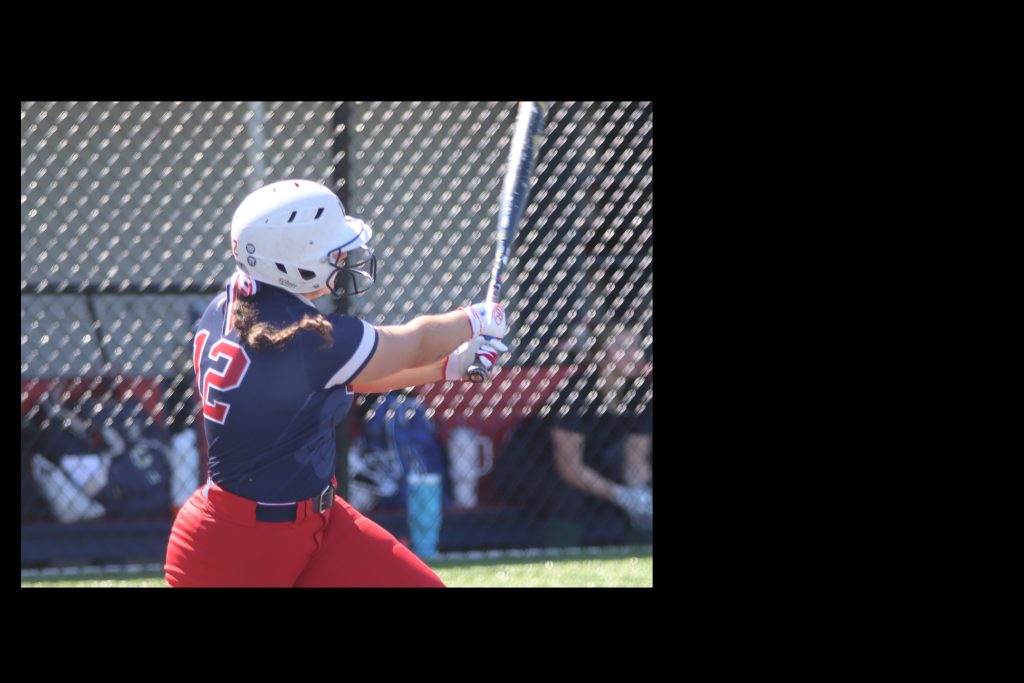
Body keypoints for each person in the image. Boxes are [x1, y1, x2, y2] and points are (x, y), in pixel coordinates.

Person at [163, 179, 508, 587]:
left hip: (315, 524)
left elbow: (348, 378)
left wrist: (450, 366)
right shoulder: (306, 337)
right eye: (331, 248)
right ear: (290, 259)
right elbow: (413, 343)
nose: (343, 256)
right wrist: (473, 319)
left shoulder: (233, 306)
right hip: (237, 552)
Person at [544, 320, 652, 544]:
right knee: (568, 497)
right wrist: (619, 495)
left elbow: (635, 460)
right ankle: (558, 555)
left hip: (599, 465)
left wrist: (639, 495)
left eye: (637, 346)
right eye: (623, 347)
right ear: (600, 355)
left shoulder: (641, 391)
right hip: (544, 468)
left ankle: (638, 551)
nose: (634, 354)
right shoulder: (576, 392)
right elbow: (569, 467)